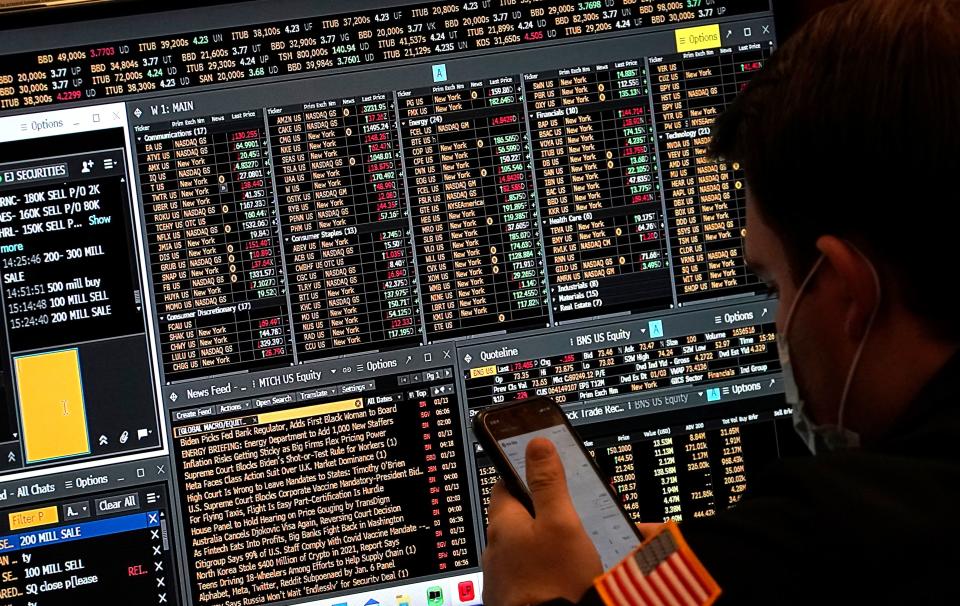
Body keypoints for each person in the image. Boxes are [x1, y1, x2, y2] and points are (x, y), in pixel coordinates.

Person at [481, 0, 960, 603]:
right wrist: (667, 569)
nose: (780, 319)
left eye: (774, 284)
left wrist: (537, 595)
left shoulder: (819, 535)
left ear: (848, 289)